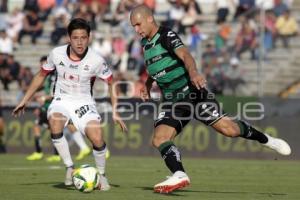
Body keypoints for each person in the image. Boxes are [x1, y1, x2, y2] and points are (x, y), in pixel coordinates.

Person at [130, 5, 291, 194]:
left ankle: (267, 140)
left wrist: (194, 73)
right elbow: (155, 66)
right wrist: (148, 84)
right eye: (133, 26)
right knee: (159, 139)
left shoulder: (166, 35)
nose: (136, 29)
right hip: (172, 101)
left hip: (192, 93)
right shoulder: (145, 43)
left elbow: (186, 55)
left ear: (150, 19)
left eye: (138, 24)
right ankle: (179, 174)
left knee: (229, 130)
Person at [12, 18, 127, 190]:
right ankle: (69, 167)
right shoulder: (56, 54)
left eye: (83, 37)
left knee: (97, 137)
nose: (79, 42)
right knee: (55, 122)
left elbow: (112, 83)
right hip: (61, 99)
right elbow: (41, 75)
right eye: (75, 37)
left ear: (89, 37)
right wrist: (25, 100)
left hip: (84, 102)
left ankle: (102, 175)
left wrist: (115, 112)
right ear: (69, 37)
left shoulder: (96, 60)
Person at [26, 56, 91, 162]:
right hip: (54, 105)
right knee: (56, 128)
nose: (42, 66)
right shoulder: (49, 76)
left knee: (54, 127)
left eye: (44, 64)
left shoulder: (54, 76)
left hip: (56, 106)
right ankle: (81, 148)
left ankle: (45, 153)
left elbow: (55, 93)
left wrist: (43, 98)